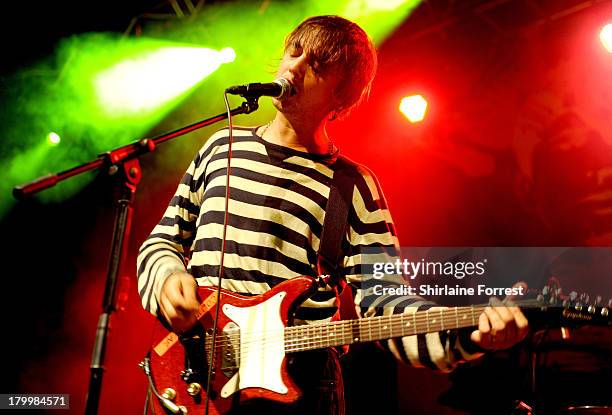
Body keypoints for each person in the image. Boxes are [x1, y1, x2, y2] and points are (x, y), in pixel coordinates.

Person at [137, 15, 529, 414]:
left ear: (340, 97)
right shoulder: (222, 147)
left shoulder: (353, 187)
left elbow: (386, 303)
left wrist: (468, 336)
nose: (294, 66)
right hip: (191, 381)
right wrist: (167, 276)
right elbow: (161, 241)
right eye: (294, 51)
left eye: (317, 66)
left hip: (296, 391)